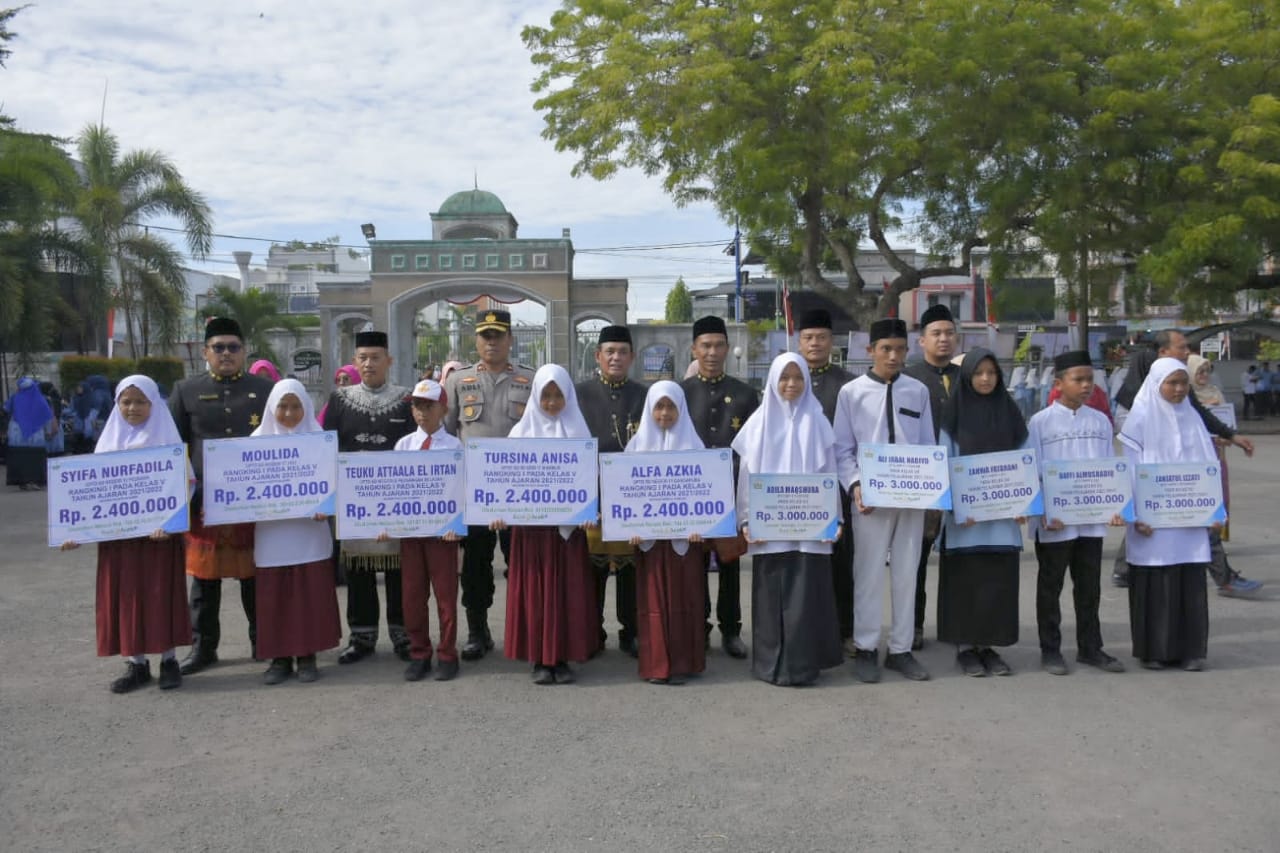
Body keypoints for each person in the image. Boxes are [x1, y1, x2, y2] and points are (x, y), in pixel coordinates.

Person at [61, 375, 191, 693]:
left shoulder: (167, 444)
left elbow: (188, 485)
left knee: (160, 595)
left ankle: (169, 660)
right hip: (119, 542)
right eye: (126, 401)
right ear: (117, 404)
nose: (133, 408)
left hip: (158, 539)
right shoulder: (107, 445)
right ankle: (137, 664)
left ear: (154, 405)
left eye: (140, 402)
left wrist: (171, 524)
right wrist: (74, 532)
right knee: (126, 597)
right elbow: (87, 498)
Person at [1111, 331, 1259, 594]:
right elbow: (1134, 463)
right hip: (1153, 459)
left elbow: (1196, 413)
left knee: (1186, 501)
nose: (1187, 351)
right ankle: (1222, 576)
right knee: (1167, 505)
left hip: (1177, 470)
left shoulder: (1179, 394)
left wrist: (1230, 435)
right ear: (1163, 353)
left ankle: (1124, 568)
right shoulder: (1144, 407)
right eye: (1182, 347)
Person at [169, 317, 274, 675]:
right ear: (205, 352)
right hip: (205, 503)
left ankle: (263, 642)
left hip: (252, 501)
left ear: (244, 352)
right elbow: (174, 447)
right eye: (218, 348)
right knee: (204, 581)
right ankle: (203, 649)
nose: (226, 354)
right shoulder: (185, 391)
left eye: (233, 347)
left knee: (254, 577)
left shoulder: (264, 390)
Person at [833, 317, 935, 683]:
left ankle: (901, 649)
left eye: (900, 349)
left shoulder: (917, 391)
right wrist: (856, 485)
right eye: (886, 349)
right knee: (868, 573)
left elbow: (927, 447)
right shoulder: (852, 393)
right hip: (870, 500)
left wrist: (930, 493)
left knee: (908, 572)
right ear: (870, 351)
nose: (893, 356)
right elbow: (843, 450)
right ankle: (865, 646)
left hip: (911, 498)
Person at [735, 353, 843, 686]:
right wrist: (746, 521)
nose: (791, 384)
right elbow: (746, 478)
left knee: (806, 596)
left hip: (810, 529)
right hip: (769, 530)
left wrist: (834, 520)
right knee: (771, 597)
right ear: (773, 381)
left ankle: (804, 665)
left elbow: (830, 474)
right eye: (784, 378)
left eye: (798, 378)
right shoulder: (758, 424)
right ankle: (770, 665)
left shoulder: (819, 422)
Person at [443, 310, 536, 661]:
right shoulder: (459, 381)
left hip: (520, 491)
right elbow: (448, 436)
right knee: (476, 565)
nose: (492, 342)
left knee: (522, 563)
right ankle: (477, 632)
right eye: (485, 335)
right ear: (476, 340)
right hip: (475, 492)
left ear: (510, 339)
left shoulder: (530, 380)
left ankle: (524, 629)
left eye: (498, 335)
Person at [498, 364, 599, 684]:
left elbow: (591, 480)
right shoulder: (520, 434)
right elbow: (501, 482)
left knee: (566, 593)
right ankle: (540, 658)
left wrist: (589, 513)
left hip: (568, 536)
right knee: (537, 593)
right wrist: (498, 511)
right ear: (536, 397)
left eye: (559, 395)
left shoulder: (579, 434)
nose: (553, 402)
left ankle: (563, 656)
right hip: (532, 534)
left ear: (568, 396)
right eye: (546, 396)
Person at [1027, 351, 1126, 676]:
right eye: (1078, 379)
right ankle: (1050, 649)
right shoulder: (1040, 423)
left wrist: (1114, 508)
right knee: (1050, 586)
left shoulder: (1099, 421)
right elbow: (1033, 471)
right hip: (1055, 521)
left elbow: (1108, 469)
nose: (1086, 386)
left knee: (1089, 587)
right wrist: (1041, 510)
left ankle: (1090, 648)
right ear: (1059, 383)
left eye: (1090, 380)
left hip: (1091, 522)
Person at [323, 330, 415, 663]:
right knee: (358, 571)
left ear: (388, 361)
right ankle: (361, 637)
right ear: (354, 361)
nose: (368, 364)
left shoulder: (406, 400)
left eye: (375, 357)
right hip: (355, 501)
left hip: (396, 499)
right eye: (362, 357)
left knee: (398, 571)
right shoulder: (339, 399)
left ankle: (403, 634)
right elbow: (327, 446)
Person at [1118, 358, 1217, 671]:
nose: (1178, 389)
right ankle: (1154, 650)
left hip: (1189, 519)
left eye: (1183, 383)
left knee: (1189, 581)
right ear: (1156, 383)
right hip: (1152, 521)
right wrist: (1135, 513)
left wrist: (1215, 510)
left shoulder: (1193, 419)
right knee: (1156, 581)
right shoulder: (1140, 418)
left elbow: (1207, 468)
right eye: (1171, 383)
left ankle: (1190, 651)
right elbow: (1130, 470)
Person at [935, 349, 1027, 676]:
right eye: (979, 373)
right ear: (967, 377)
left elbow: (1024, 459)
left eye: (992, 372)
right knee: (966, 583)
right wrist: (959, 504)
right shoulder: (953, 412)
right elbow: (944, 462)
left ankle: (989, 646)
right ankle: (965, 648)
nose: (986, 379)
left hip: (1001, 520)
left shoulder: (1010, 411)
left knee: (995, 581)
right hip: (966, 520)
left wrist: (1023, 503)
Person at [250, 379, 342, 685]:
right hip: (271, 534)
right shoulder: (254, 442)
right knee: (273, 596)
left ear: (306, 408)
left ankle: (307, 656)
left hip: (309, 532)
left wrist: (327, 505)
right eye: (282, 406)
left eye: (295, 406)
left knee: (308, 595)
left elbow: (336, 485)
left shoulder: (321, 441)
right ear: (271, 409)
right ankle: (279, 658)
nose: (289, 413)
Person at [681, 315, 759, 659]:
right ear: (694, 349)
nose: (712, 352)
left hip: (730, 493)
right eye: (705, 346)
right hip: (690, 498)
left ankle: (731, 630)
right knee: (693, 567)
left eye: (718, 345)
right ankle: (698, 627)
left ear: (727, 348)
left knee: (730, 565)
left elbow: (754, 447)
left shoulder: (745, 394)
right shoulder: (679, 394)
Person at [624, 381, 708, 685]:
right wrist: (630, 528)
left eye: (671, 406)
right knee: (653, 604)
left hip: (685, 544)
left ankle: (684, 663)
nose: (664, 413)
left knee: (686, 601)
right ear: (649, 409)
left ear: (681, 408)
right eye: (658, 406)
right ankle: (656, 664)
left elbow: (707, 495)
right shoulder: (635, 448)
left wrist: (703, 526)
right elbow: (626, 496)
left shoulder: (695, 448)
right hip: (651, 546)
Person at [575, 324, 647, 657]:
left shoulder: (645, 396)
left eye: (622, 352)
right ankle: (592, 632)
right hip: (594, 496)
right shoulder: (579, 395)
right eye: (609, 352)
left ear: (631, 357)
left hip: (632, 499)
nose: (616, 358)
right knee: (593, 573)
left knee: (631, 573)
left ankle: (630, 631)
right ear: (598, 356)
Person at [390, 379, 463, 682]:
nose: (421, 412)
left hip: (442, 537)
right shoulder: (403, 445)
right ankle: (419, 652)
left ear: (443, 409)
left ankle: (447, 653)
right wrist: (387, 524)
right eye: (416, 406)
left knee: (445, 597)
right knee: (412, 597)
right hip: (411, 535)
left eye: (428, 406)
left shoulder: (456, 446)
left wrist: (457, 527)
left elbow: (461, 490)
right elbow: (392, 491)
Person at [795, 308, 857, 656]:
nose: (814, 343)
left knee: (840, 561)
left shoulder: (847, 384)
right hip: (795, 491)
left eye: (821, 337)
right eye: (808, 338)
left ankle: (845, 629)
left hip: (836, 486)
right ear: (799, 341)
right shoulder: (789, 379)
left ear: (831, 342)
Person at [903, 303, 961, 653]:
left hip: (965, 480)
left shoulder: (968, 378)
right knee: (917, 560)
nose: (943, 339)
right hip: (923, 483)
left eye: (949, 333)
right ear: (921, 340)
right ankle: (914, 625)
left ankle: (958, 625)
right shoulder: (909, 381)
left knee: (961, 560)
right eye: (936, 334)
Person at [5, 377, 54, 490]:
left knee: (20, 458)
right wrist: (48, 431)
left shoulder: (15, 397)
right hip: (36, 436)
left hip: (18, 434)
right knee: (35, 458)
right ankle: (35, 481)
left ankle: (23, 481)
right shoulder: (39, 399)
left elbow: (7, 409)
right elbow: (46, 417)